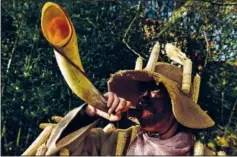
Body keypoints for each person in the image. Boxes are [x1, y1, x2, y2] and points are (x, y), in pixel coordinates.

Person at [43, 43, 215, 156]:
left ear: (176, 104)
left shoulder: (202, 154)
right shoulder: (114, 143)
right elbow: (58, 151)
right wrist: (91, 111)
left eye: (154, 90)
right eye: (141, 91)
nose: (142, 97)